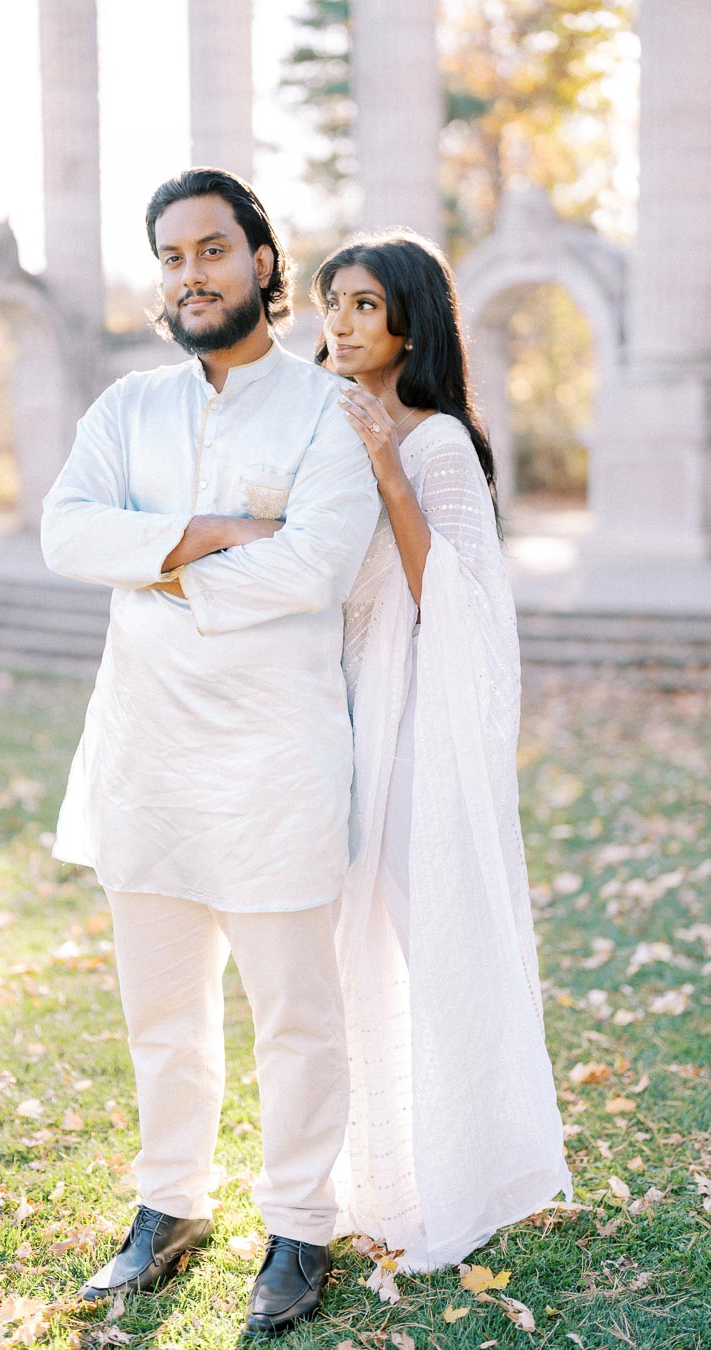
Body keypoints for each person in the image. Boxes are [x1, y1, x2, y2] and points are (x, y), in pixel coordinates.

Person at [40, 168, 380, 1335]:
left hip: (276, 758)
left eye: (213, 251)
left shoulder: (329, 410)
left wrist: (157, 570)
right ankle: (170, 1206)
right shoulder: (124, 411)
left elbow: (318, 568)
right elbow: (64, 529)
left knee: (296, 1009)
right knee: (161, 1009)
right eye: (173, 256)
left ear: (264, 261)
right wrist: (214, 534)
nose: (191, 274)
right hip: (144, 756)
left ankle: (299, 1224)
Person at [312, 232, 573, 1270]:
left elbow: (452, 599)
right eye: (332, 301)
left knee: (433, 933)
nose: (338, 320)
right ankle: (373, 1174)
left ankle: (476, 1171)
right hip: (343, 715)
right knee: (350, 940)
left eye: (364, 305)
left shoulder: (439, 444)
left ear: (409, 325)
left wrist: (385, 460)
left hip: (419, 717)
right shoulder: (320, 422)